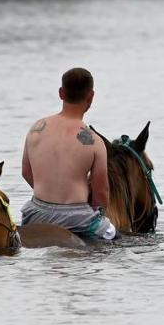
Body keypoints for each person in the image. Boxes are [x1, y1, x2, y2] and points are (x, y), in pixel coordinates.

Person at [20, 68, 117, 240]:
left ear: (61, 93)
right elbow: (101, 192)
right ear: (91, 96)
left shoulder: (36, 128)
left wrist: (50, 196)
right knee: (114, 239)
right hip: (78, 218)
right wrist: (97, 214)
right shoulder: (95, 142)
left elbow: (26, 172)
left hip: (36, 214)